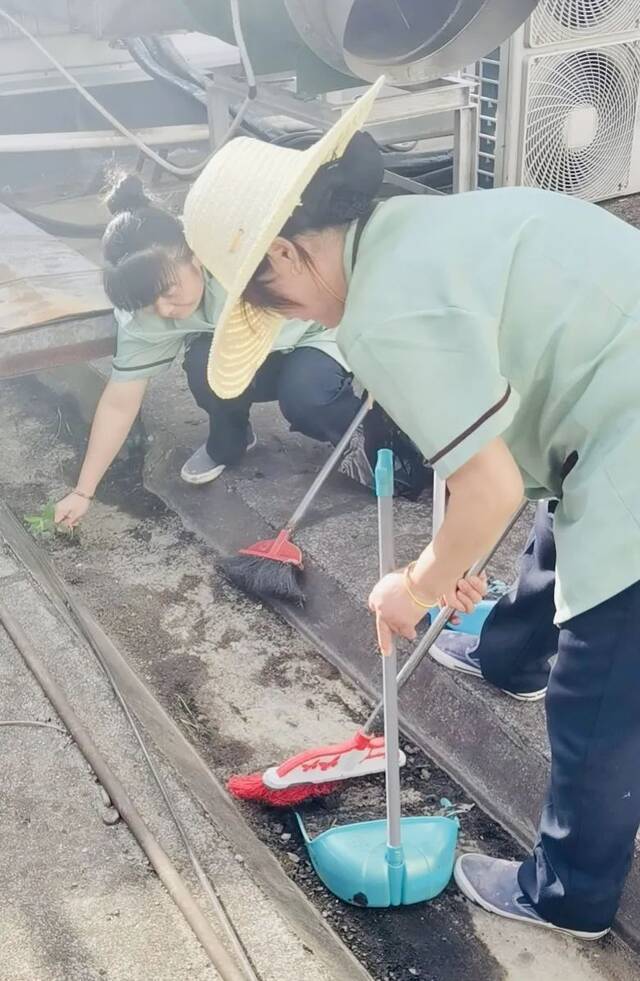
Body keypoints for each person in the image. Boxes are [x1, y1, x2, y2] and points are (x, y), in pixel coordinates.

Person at [179, 78, 640, 941]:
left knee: (604, 685)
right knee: (554, 532)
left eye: (264, 301)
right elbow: (486, 445)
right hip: (608, 393)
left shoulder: (383, 312)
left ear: (283, 256)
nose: (285, 320)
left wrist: (419, 585)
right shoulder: (410, 228)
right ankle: (509, 652)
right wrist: (453, 558)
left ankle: (567, 894)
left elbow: (492, 488)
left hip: (629, 439)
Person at [54, 175, 365, 528]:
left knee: (307, 393)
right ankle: (230, 439)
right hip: (245, 350)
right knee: (203, 362)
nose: (163, 310)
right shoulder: (144, 315)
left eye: (169, 291)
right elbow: (120, 402)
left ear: (195, 257)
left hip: (313, 328)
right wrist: (83, 492)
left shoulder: (238, 250)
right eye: (147, 302)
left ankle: (370, 443)